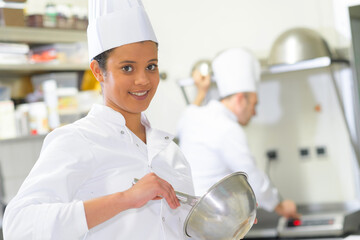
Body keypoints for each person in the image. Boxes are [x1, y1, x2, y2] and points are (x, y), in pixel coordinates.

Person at [3, 0, 194, 239]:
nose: (143, 80)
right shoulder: (77, 140)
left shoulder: (170, 153)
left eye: (151, 66)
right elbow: (18, 226)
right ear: (97, 71)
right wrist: (125, 198)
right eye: (127, 68)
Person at [177, 48, 299, 218]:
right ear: (241, 99)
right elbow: (252, 177)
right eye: (254, 105)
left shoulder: (193, 115)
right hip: (212, 220)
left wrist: (201, 91)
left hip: (187, 217)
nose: (254, 112)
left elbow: (187, 115)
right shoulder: (227, 128)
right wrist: (281, 207)